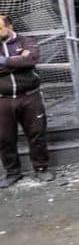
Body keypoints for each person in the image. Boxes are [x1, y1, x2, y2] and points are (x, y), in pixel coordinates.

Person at [0, 11, 51, 188]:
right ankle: (12, 172)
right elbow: (22, 62)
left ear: (9, 26)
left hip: (30, 96)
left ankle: (42, 169)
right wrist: (16, 62)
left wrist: (4, 62)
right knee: (4, 138)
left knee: (37, 133)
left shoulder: (25, 41)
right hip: (3, 99)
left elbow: (30, 61)